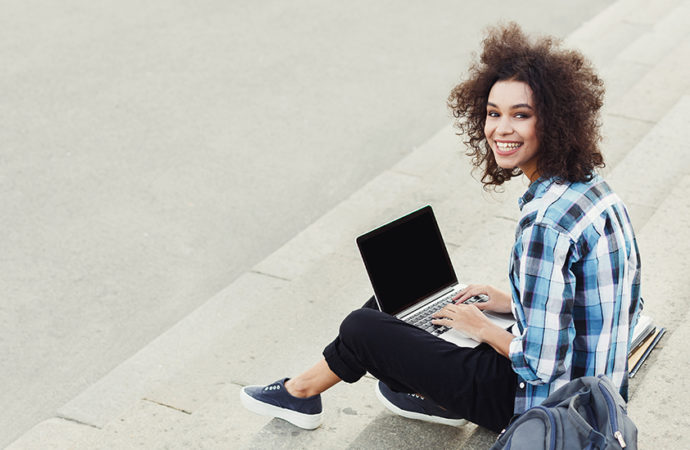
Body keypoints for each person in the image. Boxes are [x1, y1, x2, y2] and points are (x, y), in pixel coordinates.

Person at [239, 22, 642, 434]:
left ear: (554, 121)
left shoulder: (545, 223)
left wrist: (481, 328)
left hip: (539, 405)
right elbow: (614, 305)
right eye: (493, 113)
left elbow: (542, 363)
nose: (501, 129)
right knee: (394, 304)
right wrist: (510, 302)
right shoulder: (594, 191)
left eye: (521, 115)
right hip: (597, 391)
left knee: (362, 328)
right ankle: (310, 391)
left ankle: (305, 392)